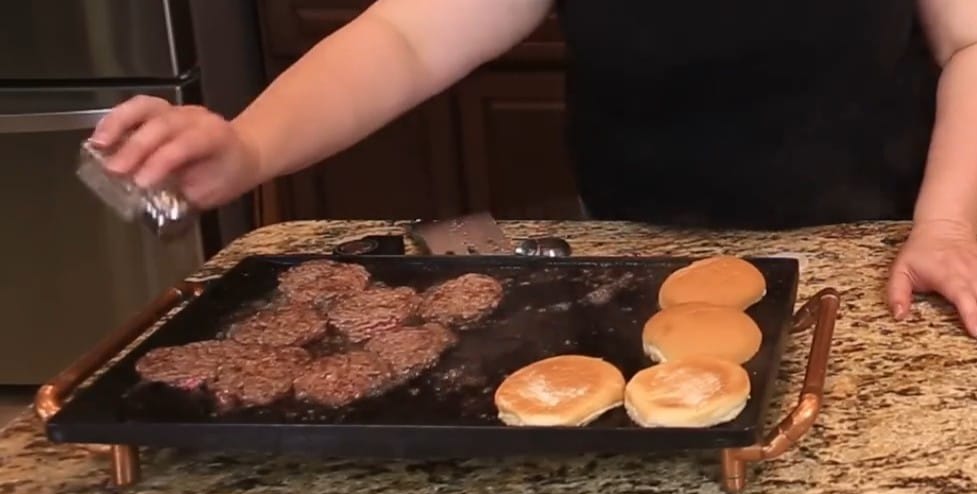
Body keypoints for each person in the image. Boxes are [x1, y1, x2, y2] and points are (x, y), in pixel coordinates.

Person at [90, 1, 977, 335]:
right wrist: (250, 145)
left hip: (872, 253)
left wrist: (943, 226)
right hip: (636, 253)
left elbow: (970, 43)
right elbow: (405, 38)